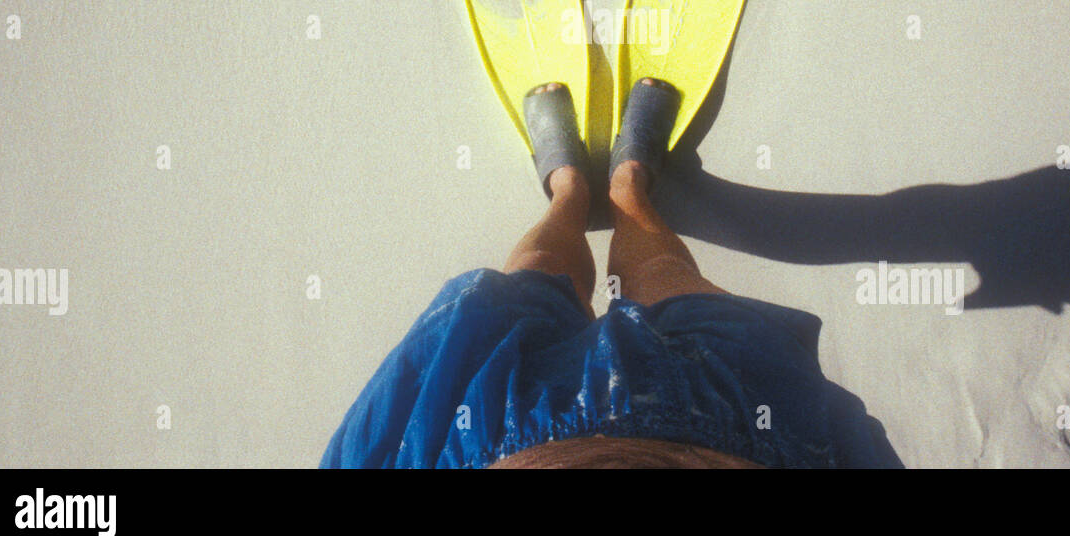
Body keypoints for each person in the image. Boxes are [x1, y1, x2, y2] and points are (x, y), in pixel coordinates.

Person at [321, 79, 896, 468]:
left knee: (534, 277)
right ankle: (627, 183)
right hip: (732, 425)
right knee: (666, 278)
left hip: (480, 438)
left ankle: (569, 189)